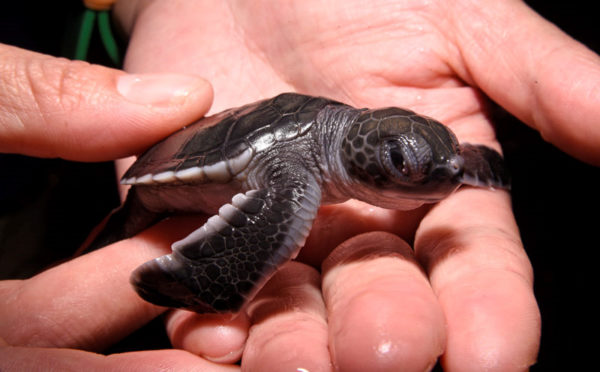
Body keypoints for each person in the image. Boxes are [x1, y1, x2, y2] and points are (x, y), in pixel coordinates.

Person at [1, 0, 599, 370]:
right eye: (399, 167)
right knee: (135, 223)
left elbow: (439, 162)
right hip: (162, 169)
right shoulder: (300, 170)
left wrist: (463, 166)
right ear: (359, 149)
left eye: (440, 169)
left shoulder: (395, 152)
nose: (431, 181)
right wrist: (211, 277)